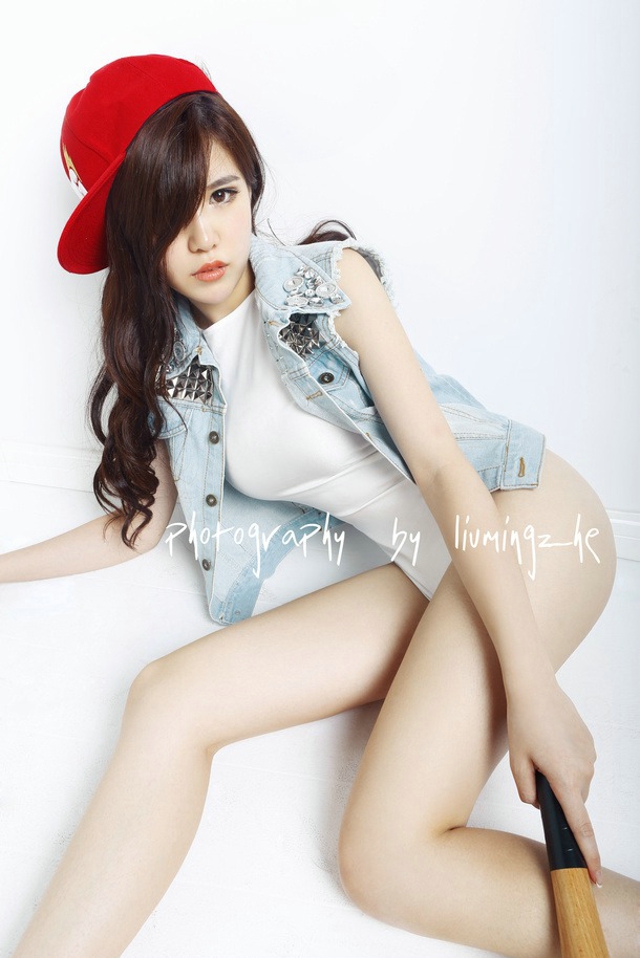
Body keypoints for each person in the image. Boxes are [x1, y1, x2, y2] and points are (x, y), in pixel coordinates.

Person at [2, 53, 638, 958]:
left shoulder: (327, 285)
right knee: (168, 696)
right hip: (428, 571)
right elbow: (145, 526)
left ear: (250, 182)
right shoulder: (178, 366)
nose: (206, 235)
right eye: (170, 214)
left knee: (383, 858)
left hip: (524, 525)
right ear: (134, 239)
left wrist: (530, 683)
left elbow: (441, 468)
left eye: (221, 194)